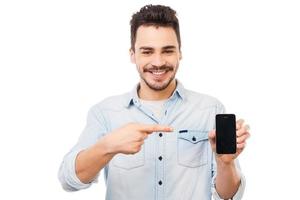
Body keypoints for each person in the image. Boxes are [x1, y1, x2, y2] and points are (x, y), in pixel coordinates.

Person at [58, 4, 250, 200]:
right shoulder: (105, 112)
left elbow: (228, 197)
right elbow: (68, 180)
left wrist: (225, 163)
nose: (158, 62)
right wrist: (108, 146)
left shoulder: (209, 109)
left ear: (180, 53)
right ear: (132, 54)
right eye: (147, 51)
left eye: (167, 51)